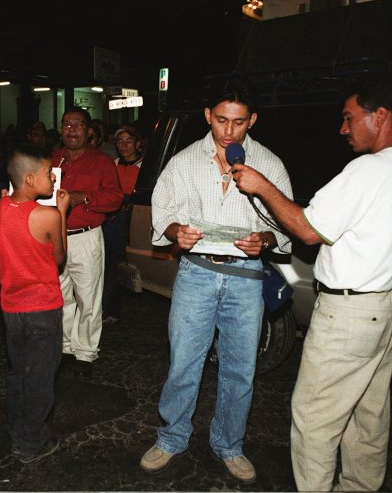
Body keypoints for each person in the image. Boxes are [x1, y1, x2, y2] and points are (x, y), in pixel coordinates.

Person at [232, 76, 392, 491]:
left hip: (348, 314)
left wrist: (262, 186)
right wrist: (388, 258)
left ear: (379, 116)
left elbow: (307, 230)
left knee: (315, 417)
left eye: (349, 118)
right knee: (368, 414)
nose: (342, 129)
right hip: (387, 306)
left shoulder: (368, 169)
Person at [139, 77, 292, 485]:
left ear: (252, 121)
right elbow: (163, 213)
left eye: (239, 122)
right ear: (208, 116)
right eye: (221, 120)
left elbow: (287, 226)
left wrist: (266, 239)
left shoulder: (270, 164)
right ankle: (171, 437)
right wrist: (177, 233)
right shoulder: (184, 161)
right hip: (197, 274)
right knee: (184, 362)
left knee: (240, 369)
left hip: (245, 279)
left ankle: (229, 444)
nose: (228, 132)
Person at [0, 143, 70, 464]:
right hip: (43, 308)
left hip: (11, 308)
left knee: (19, 372)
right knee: (41, 376)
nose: (53, 179)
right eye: (49, 174)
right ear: (31, 180)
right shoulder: (46, 215)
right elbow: (59, 258)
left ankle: (18, 434)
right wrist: (62, 212)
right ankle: (32, 443)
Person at [52, 107, 123, 377]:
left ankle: (86, 353)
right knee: (60, 296)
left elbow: (115, 198)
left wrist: (85, 198)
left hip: (86, 235)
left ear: (88, 130)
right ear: (61, 129)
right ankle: (66, 347)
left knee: (88, 298)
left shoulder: (102, 162)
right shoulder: (53, 159)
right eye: (67, 124)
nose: (72, 130)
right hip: (56, 236)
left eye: (78, 125)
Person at [102, 125, 143, 323]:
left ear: (137, 143)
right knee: (108, 265)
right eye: (120, 141)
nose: (124, 145)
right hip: (111, 221)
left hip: (132, 220)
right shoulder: (112, 164)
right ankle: (110, 309)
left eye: (129, 141)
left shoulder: (145, 167)